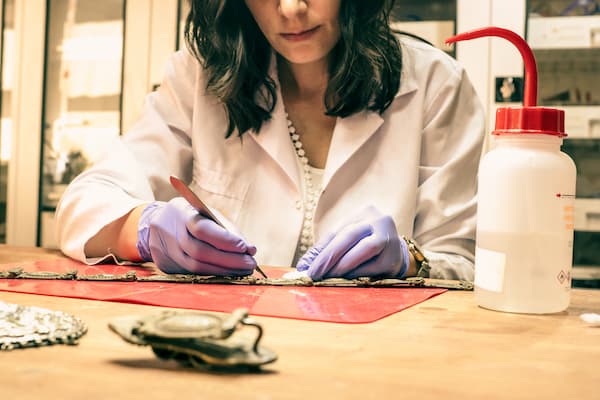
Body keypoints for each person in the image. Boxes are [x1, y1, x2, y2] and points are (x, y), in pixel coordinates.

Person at [55, 0, 485, 281]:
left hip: (378, 358)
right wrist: (145, 228)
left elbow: (466, 262)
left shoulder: (435, 84)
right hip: (228, 346)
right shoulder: (199, 77)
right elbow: (86, 202)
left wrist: (409, 260)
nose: (292, 8)